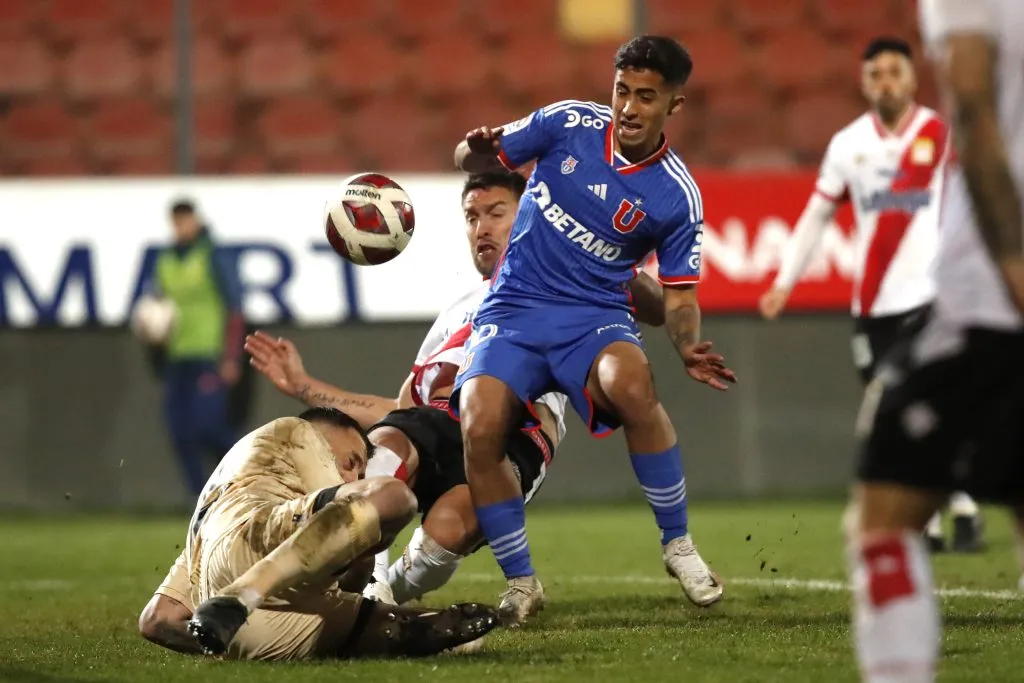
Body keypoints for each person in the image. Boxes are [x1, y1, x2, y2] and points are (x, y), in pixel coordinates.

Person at [244, 170, 666, 606]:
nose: (481, 227)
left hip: (513, 438)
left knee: (446, 534)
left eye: (496, 213)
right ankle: (371, 586)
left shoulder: (566, 285)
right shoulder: (458, 309)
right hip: (435, 423)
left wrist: (606, 263)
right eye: (471, 217)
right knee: (386, 445)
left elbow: (658, 308)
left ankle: (384, 601)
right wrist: (304, 386)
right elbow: (402, 407)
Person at [450, 36, 735, 625]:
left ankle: (677, 544)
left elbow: (679, 296)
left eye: (646, 97)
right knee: (478, 425)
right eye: (622, 91)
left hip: (594, 316)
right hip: (514, 308)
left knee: (633, 386)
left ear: (673, 107)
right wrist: (474, 151)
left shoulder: (677, 196)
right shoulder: (566, 123)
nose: (629, 107)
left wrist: (686, 348)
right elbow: (470, 158)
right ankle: (521, 582)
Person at [847, 1, 1024, 680]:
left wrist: (1011, 264)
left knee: (885, 513)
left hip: (986, 297)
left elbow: (973, 103)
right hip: (934, 301)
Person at [759, 37, 983, 554]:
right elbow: (817, 214)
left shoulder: (939, 135)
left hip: (934, 296)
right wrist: (784, 280)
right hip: (874, 305)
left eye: (895, 71)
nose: (886, 81)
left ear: (911, 77)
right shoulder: (848, 145)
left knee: (926, 403)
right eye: (876, 73)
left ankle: (958, 511)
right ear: (865, 82)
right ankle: (942, 512)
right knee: (895, 408)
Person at [139, 406, 499, 660]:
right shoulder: (294, 433)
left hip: (243, 630)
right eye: (352, 463)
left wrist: (215, 637)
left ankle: (405, 630)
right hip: (257, 542)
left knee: (460, 643)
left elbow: (157, 621)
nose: (353, 478)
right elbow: (369, 506)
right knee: (394, 496)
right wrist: (378, 535)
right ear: (320, 435)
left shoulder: (216, 509)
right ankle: (243, 595)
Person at [153, 199, 246, 496]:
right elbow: (158, 304)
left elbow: (234, 308)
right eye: (176, 222)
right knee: (180, 433)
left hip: (209, 355)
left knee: (210, 428)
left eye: (185, 221)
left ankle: (246, 482)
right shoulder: (165, 259)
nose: (181, 228)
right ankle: (200, 499)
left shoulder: (212, 255)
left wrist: (230, 357)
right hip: (177, 356)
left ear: (195, 220)